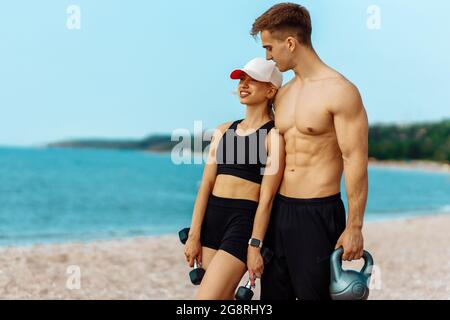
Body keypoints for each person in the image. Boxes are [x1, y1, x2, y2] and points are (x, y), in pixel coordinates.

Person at [250, 3, 369, 300]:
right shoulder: (284, 94)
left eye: (269, 48)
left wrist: (354, 226)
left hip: (317, 213)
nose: (268, 57)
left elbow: (355, 161)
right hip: (279, 212)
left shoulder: (340, 91)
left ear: (290, 43)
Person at [183, 57, 286, 299]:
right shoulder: (222, 131)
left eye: (253, 80)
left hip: (242, 223)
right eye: (241, 79)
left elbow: (267, 198)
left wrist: (255, 245)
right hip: (212, 219)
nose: (243, 84)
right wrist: (194, 234)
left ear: (270, 90)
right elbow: (206, 185)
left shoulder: (273, 137)